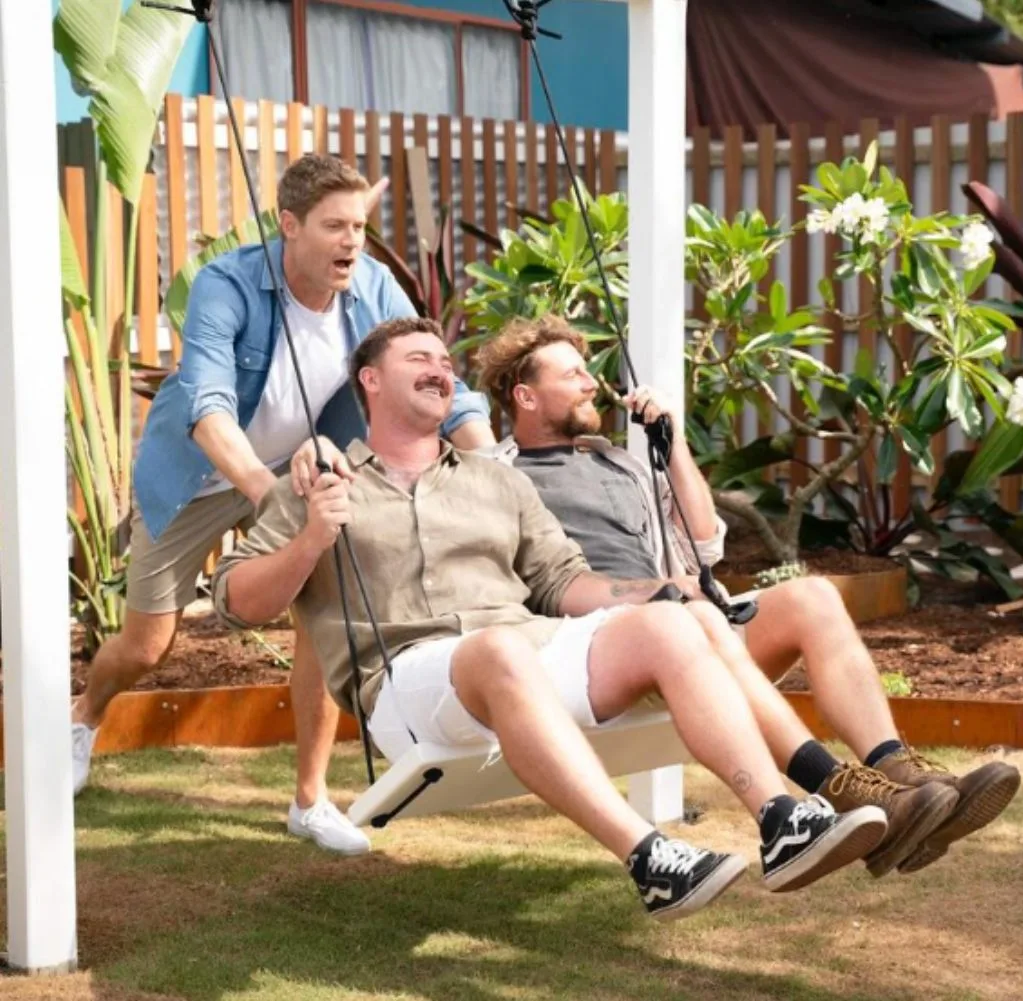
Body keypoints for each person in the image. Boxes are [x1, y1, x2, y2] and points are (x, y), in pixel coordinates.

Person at [210, 317, 891, 922]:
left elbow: (562, 582)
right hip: (404, 681)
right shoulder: (320, 484)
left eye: (446, 362)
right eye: (419, 357)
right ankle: (648, 858)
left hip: (523, 649)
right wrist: (309, 542)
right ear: (371, 381)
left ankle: (779, 818)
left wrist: (657, 591)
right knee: (498, 649)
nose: (441, 369)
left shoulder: (496, 480)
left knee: (670, 625)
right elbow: (235, 601)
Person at [475, 314, 1021, 878]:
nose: (593, 383)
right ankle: (847, 793)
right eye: (574, 374)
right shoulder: (496, 476)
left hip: (687, 624)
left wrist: (675, 444)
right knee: (694, 617)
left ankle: (901, 776)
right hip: (612, 649)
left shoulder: (621, 465)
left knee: (814, 597)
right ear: (526, 396)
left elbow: (706, 542)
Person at [70, 154, 495, 856]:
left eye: (359, 225)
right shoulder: (227, 284)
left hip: (303, 467)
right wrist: (270, 495)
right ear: (289, 225)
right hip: (202, 475)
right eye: (335, 226)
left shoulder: (371, 287)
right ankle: (86, 714)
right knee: (147, 646)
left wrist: (490, 464)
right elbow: (207, 408)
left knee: (324, 627)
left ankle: (309, 798)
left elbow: (433, 373)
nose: (352, 241)